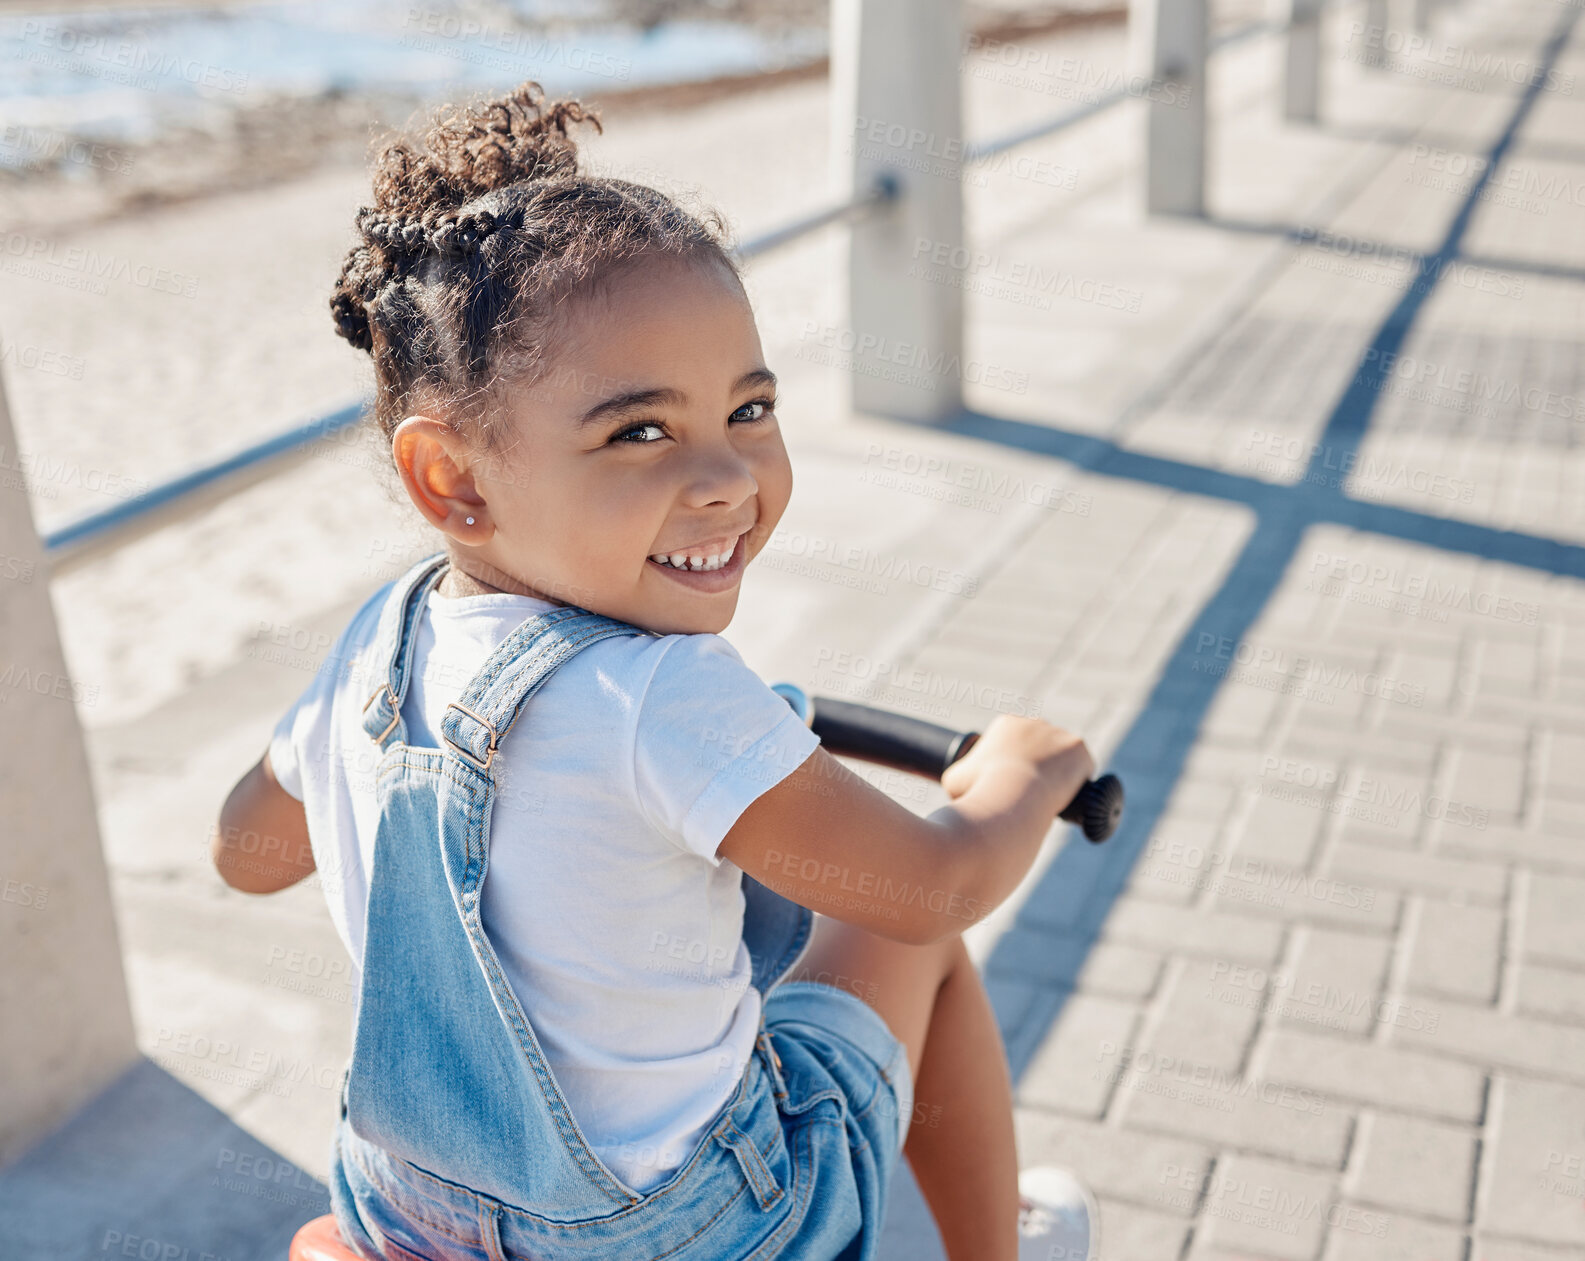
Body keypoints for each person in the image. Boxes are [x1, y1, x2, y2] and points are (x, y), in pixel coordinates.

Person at [212, 79, 1100, 1261]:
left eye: (750, 407)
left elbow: (246, 853)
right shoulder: (662, 697)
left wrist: (352, 797)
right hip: (676, 1232)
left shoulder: (376, 647)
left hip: (405, 1206)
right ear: (454, 481)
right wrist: (1020, 781)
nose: (726, 477)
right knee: (910, 945)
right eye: (640, 431)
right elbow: (932, 884)